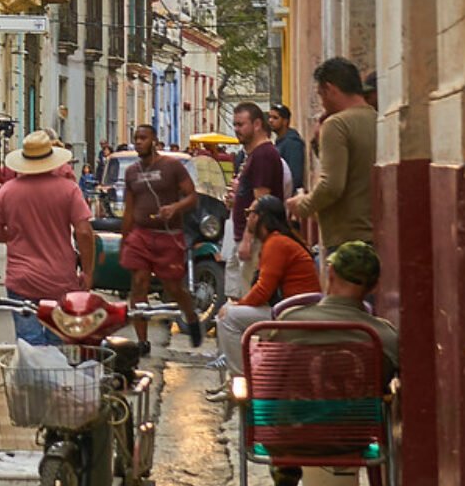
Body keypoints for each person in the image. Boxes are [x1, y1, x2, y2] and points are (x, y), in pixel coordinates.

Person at [264, 241, 399, 486]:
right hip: (354, 441)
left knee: (283, 409)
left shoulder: (290, 324)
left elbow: (268, 384)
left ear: (331, 273)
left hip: (290, 440)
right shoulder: (384, 337)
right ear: (374, 285)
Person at [0, 131, 95, 346]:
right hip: (60, 278)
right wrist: (88, 271)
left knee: (30, 345)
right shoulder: (69, 189)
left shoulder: (7, 191)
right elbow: (83, 231)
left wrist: (15, 236)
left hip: (21, 278)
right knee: (58, 340)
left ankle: (34, 379)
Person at [214, 195, 323, 375]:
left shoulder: (277, 243)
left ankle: (242, 379)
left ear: (260, 217)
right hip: (292, 310)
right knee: (229, 312)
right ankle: (234, 379)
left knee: (228, 318)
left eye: (250, 213)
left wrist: (237, 305)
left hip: (295, 314)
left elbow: (263, 290)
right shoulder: (278, 241)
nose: (247, 217)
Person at [119, 124, 203, 353]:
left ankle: (191, 316)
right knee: (138, 284)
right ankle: (142, 342)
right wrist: (124, 239)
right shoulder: (131, 172)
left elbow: (192, 197)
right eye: (136, 138)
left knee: (173, 287)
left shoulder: (172, 166)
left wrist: (175, 207)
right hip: (141, 235)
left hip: (168, 235)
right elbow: (129, 208)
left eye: (143, 138)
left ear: (155, 141)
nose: (138, 142)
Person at [287, 58, 377, 260]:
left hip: (346, 235)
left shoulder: (336, 124)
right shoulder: (376, 118)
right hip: (373, 231)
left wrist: (303, 205)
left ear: (329, 89)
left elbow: (331, 185)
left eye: (320, 95)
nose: (322, 102)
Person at [229, 102, 287, 292]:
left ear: (257, 124)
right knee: (236, 293)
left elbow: (260, 201)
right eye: (235, 125)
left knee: (247, 294)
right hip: (243, 235)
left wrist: (248, 238)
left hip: (255, 239)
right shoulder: (253, 154)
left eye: (241, 124)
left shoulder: (264, 155)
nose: (237, 130)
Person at [268, 104, 305, 195]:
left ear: (285, 121)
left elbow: (295, 175)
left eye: (275, 118)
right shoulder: (278, 142)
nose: (270, 120)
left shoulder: (293, 143)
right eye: (270, 117)